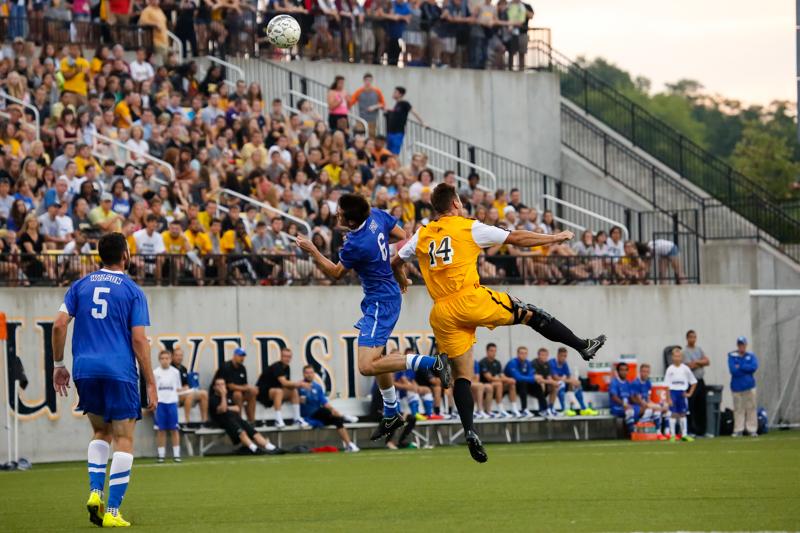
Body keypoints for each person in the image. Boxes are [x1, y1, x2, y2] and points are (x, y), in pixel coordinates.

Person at [392, 183, 606, 462]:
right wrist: (554, 238)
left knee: (463, 376)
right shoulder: (469, 227)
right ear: (455, 203)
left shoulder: (422, 234)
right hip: (469, 298)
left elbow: (396, 261)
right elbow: (516, 238)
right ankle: (582, 345)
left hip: (441, 312)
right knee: (531, 313)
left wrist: (403, 280)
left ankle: (469, 430)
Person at [296, 193, 450, 443]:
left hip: (380, 303)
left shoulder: (356, 243)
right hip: (382, 298)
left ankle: (432, 364)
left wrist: (313, 249)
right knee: (378, 360)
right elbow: (403, 239)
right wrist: (397, 267)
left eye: (340, 213)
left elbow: (335, 273)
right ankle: (391, 411)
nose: (337, 214)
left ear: (352, 220)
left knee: (366, 366)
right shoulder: (376, 214)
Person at [52, 232, 156, 527]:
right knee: (124, 439)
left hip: (85, 368)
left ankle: (95, 492)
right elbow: (138, 340)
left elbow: (59, 324)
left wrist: (59, 364)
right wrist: (149, 380)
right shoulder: (133, 290)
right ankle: (111, 511)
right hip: (119, 371)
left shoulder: (80, 286)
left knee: (101, 433)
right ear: (125, 255)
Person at [208, 376, 277, 455]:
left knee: (253, 432)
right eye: (218, 385)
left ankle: (271, 447)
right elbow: (222, 409)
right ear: (214, 387)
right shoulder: (213, 399)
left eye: (222, 384)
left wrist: (227, 406)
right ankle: (254, 449)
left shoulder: (229, 396)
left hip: (236, 418)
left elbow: (237, 408)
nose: (221, 387)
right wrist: (223, 395)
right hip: (225, 421)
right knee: (242, 432)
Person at [299, 365, 360, 452]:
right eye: (307, 373)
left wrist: (333, 410)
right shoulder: (299, 386)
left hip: (320, 415)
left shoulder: (317, 387)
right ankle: (344, 417)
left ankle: (349, 445)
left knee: (337, 419)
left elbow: (324, 402)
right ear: (303, 374)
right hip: (308, 416)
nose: (309, 375)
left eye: (311, 373)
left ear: (314, 374)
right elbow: (295, 400)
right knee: (324, 410)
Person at [255, 347, 310, 428]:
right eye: (285, 356)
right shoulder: (277, 366)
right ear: (281, 356)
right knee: (279, 391)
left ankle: (297, 418)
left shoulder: (287, 368)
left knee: (293, 391)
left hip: (275, 392)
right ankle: (278, 420)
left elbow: (288, 385)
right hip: (263, 393)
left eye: (289, 357)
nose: (287, 359)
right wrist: (300, 384)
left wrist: (298, 396)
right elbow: (284, 382)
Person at [153, 350, 182, 463]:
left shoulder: (175, 372)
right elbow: (153, 389)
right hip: (160, 403)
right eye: (162, 358)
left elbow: (178, 388)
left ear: (170, 359)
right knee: (161, 430)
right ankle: (161, 455)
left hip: (172, 403)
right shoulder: (155, 373)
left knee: (174, 429)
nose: (165, 360)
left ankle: (176, 455)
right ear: (159, 360)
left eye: (167, 358)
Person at [549, 347, 597, 416]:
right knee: (561, 384)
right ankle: (564, 409)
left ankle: (583, 408)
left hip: (564, 383)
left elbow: (568, 376)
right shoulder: (552, 362)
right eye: (562, 356)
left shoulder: (564, 363)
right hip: (553, 385)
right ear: (558, 355)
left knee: (577, 384)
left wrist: (574, 381)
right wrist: (570, 381)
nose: (564, 358)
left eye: (565, 356)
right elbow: (555, 377)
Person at [664, 347, 697, 442]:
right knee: (673, 414)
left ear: (681, 357)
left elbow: (694, 382)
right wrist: (668, 398)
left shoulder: (685, 369)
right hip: (673, 393)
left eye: (679, 356)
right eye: (675, 356)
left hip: (682, 393)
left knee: (683, 414)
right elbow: (666, 385)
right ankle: (673, 435)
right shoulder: (670, 369)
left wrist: (689, 393)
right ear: (672, 358)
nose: (677, 358)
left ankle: (684, 434)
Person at [728, 336, 759, 437]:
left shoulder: (751, 355)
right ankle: (738, 429)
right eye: (740, 344)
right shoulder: (732, 355)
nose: (742, 346)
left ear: (746, 345)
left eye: (743, 344)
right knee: (738, 409)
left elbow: (754, 367)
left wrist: (741, 366)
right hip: (737, 387)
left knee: (751, 408)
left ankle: (752, 429)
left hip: (749, 386)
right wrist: (746, 367)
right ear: (738, 345)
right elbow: (733, 370)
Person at [479, 342, 519, 418]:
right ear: (487, 351)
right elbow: (489, 378)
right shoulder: (483, 362)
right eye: (491, 351)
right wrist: (502, 379)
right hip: (486, 385)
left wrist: (509, 379)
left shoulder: (497, 362)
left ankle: (514, 408)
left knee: (511, 384)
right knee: (499, 384)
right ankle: (500, 409)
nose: (493, 353)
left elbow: (502, 375)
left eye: (495, 351)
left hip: (496, 384)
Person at [219, 347, 259, 423]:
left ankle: (252, 421)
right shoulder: (226, 367)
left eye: (243, 356)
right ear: (234, 356)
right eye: (240, 356)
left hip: (238, 393)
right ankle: (239, 420)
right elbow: (231, 386)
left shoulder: (242, 368)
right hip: (225, 394)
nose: (242, 358)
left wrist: (251, 389)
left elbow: (245, 384)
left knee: (252, 393)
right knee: (238, 394)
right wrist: (247, 388)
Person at [171, 346, 209, 426]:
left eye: (181, 355)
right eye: (177, 355)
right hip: (174, 395)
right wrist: (181, 389)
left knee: (204, 393)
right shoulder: (170, 369)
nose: (179, 357)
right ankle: (187, 421)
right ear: (172, 356)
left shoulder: (183, 369)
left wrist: (187, 387)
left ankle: (204, 421)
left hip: (184, 393)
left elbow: (185, 383)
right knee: (190, 395)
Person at [631, 363, 669, 440]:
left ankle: (667, 433)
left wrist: (658, 405)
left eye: (647, 372)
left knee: (666, 409)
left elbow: (648, 399)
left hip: (646, 406)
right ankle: (658, 433)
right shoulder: (636, 383)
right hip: (637, 407)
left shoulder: (648, 382)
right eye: (643, 371)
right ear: (640, 372)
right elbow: (640, 402)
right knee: (657, 410)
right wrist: (658, 407)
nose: (645, 374)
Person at [384, 87, 425, 155]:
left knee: (394, 153)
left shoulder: (404, 103)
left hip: (397, 132)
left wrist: (422, 122)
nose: (393, 94)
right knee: (389, 153)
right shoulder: (397, 105)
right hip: (390, 132)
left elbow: (413, 112)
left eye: (395, 92)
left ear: (400, 94)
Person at [683, 329, 710, 436]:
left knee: (701, 406)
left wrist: (698, 362)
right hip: (691, 382)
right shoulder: (684, 352)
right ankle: (691, 430)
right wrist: (700, 363)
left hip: (700, 380)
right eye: (691, 337)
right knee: (691, 406)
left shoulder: (699, 349)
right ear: (687, 338)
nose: (693, 339)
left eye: (694, 337)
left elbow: (707, 361)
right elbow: (690, 366)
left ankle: (701, 431)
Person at [503, 346, 538, 417]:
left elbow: (531, 374)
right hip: (508, 386)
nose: (523, 355)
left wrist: (533, 378)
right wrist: (533, 378)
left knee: (538, 384)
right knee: (523, 383)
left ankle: (544, 409)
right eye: (521, 353)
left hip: (521, 385)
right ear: (517, 354)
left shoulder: (528, 363)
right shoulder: (512, 362)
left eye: (525, 353)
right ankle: (523, 409)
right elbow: (517, 378)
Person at [608, 362, 636, 434]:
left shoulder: (628, 383)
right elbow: (614, 397)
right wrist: (624, 404)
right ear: (618, 371)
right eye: (621, 370)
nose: (624, 372)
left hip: (627, 407)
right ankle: (631, 433)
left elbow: (631, 398)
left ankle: (642, 431)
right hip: (617, 407)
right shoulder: (614, 382)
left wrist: (639, 402)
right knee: (630, 411)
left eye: (625, 370)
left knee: (644, 410)